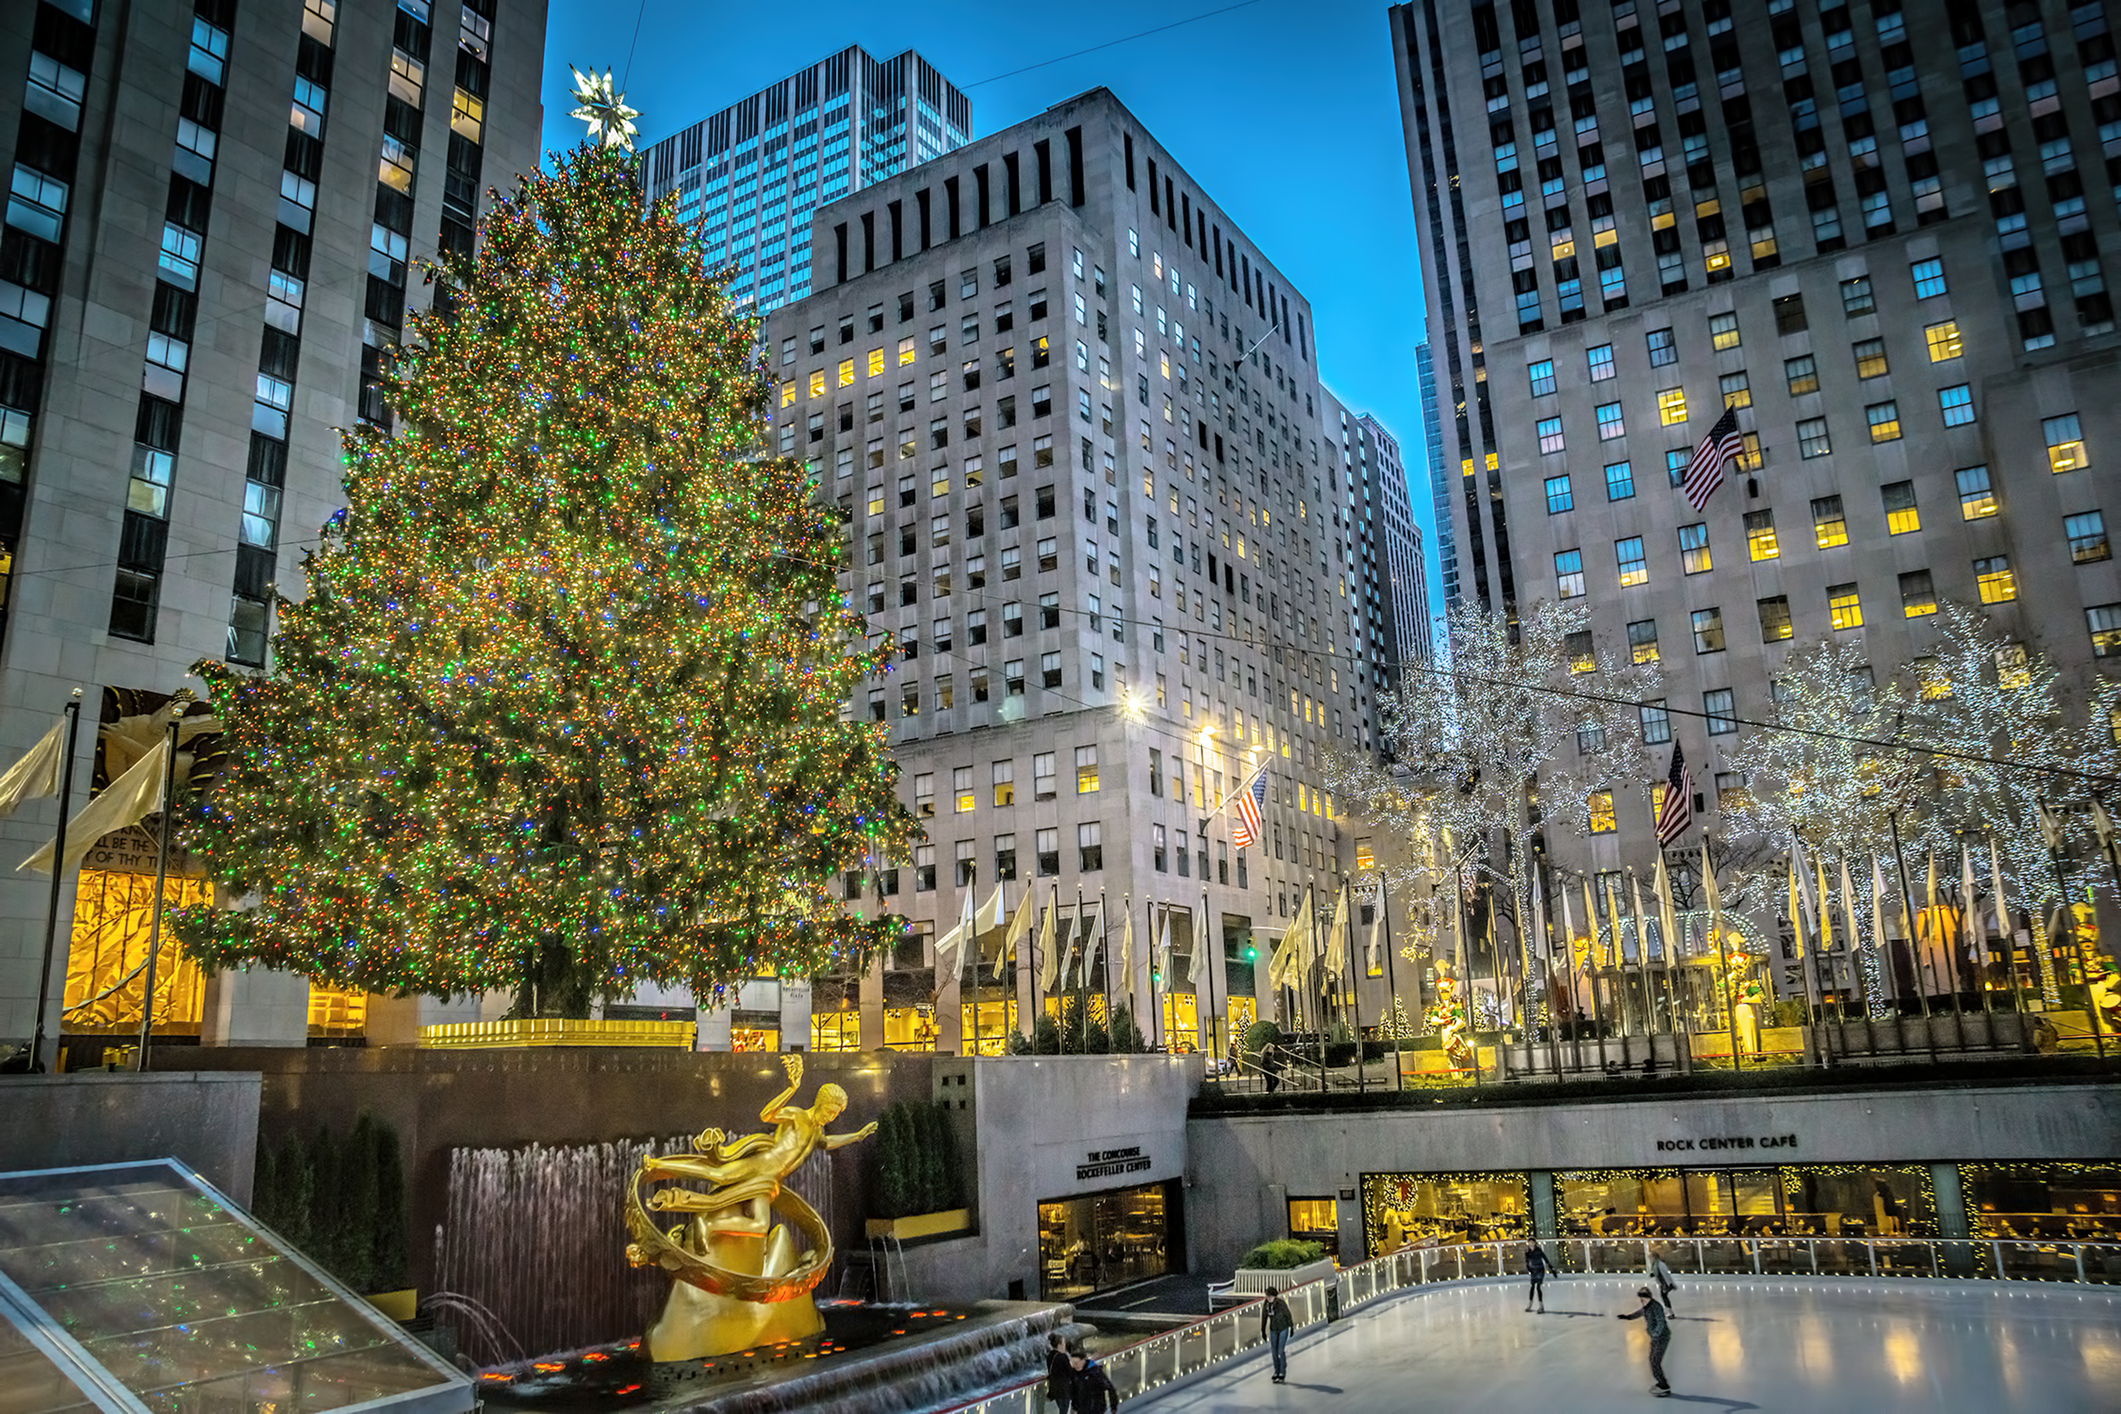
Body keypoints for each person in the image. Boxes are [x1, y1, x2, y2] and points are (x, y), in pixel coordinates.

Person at [1617, 1285, 1673, 1397]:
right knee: (1653, 1361)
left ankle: (1664, 1386)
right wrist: (1627, 1317)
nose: (1641, 1300)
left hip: (1661, 1337)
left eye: (1643, 1297)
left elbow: (1661, 1322)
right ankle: (1662, 1383)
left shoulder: (1656, 1307)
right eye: (1640, 1298)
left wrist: (1656, 1335)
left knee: (1655, 1362)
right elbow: (1639, 1313)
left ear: (1648, 1297)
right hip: (1656, 1338)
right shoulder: (1647, 1307)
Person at [1259, 1284, 1295, 1383]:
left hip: (1283, 1328)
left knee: (1280, 1350)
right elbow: (1264, 1317)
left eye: (1269, 1296)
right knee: (1274, 1351)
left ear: (1274, 1296)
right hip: (1273, 1329)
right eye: (1267, 1296)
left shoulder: (1280, 1303)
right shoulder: (1266, 1305)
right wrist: (1263, 1331)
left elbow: (1288, 1314)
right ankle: (1276, 1371)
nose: (1268, 1298)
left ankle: (1282, 1371)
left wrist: (1291, 1327)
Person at [1045, 1333, 1076, 1413]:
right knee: (1064, 1410)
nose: (1064, 1345)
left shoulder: (1050, 1356)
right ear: (1059, 1345)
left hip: (1054, 1388)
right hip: (1064, 1389)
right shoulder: (1063, 1357)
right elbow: (1070, 1372)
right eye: (1063, 1343)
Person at [1524, 1240, 1551, 1313]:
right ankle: (1530, 1305)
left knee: (1538, 1287)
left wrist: (1550, 1267)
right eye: (1530, 1243)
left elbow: (1545, 1258)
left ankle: (1541, 1306)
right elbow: (1527, 1261)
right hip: (1533, 1270)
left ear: (1535, 1243)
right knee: (1532, 1287)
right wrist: (1528, 1268)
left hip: (1540, 1270)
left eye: (1532, 1242)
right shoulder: (1528, 1252)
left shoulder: (1538, 1250)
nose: (1531, 1244)